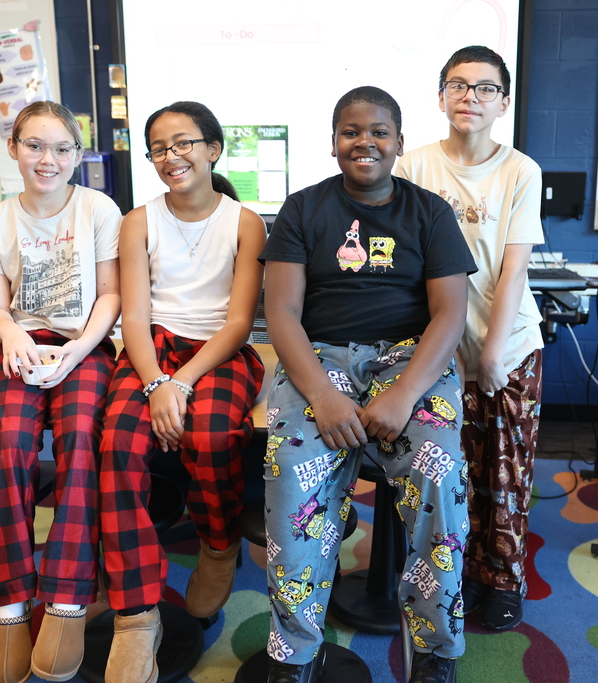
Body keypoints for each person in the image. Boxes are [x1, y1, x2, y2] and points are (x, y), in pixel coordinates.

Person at [260, 86, 476, 683]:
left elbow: (450, 316)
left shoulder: (430, 212)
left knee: (438, 473)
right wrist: (325, 397)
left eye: (379, 131)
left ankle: (435, 650)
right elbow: (281, 313)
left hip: (410, 361)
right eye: (351, 131)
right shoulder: (303, 210)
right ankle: (295, 654)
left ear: (399, 143)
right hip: (320, 358)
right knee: (291, 478)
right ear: (333, 143)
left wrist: (405, 393)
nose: (366, 142)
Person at [98, 101, 266, 683]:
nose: (172, 156)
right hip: (151, 349)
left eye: (184, 143)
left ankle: (217, 548)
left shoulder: (245, 222)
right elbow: (136, 316)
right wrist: (155, 382)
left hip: (218, 352)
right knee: (117, 443)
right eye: (160, 148)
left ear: (213, 149)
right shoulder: (137, 220)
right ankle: (135, 613)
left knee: (214, 434)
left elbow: (239, 322)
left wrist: (181, 382)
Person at [0, 100, 122, 683]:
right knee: (7, 445)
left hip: (83, 345)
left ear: (77, 157)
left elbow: (110, 295)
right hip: (20, 343)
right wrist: (10, 333)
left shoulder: (98, 209)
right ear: (13, 148)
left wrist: (80, 349)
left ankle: (66, 596)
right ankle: (10, 603)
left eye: (62, 148)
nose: (48, 159)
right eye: (35, 145)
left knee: (80, 440)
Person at [395, 45, 544, 632]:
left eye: (485, 88)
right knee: (452, 472)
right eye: (459, 86)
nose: (471, 98)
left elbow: (513, 272)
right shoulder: (414, 166)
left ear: (503, 102)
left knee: (505, 473)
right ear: (440, 97)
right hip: (436, 350)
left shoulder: (519, 171)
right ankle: (455, 577)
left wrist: (488, 354)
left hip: (505, 347)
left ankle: (503, 580)